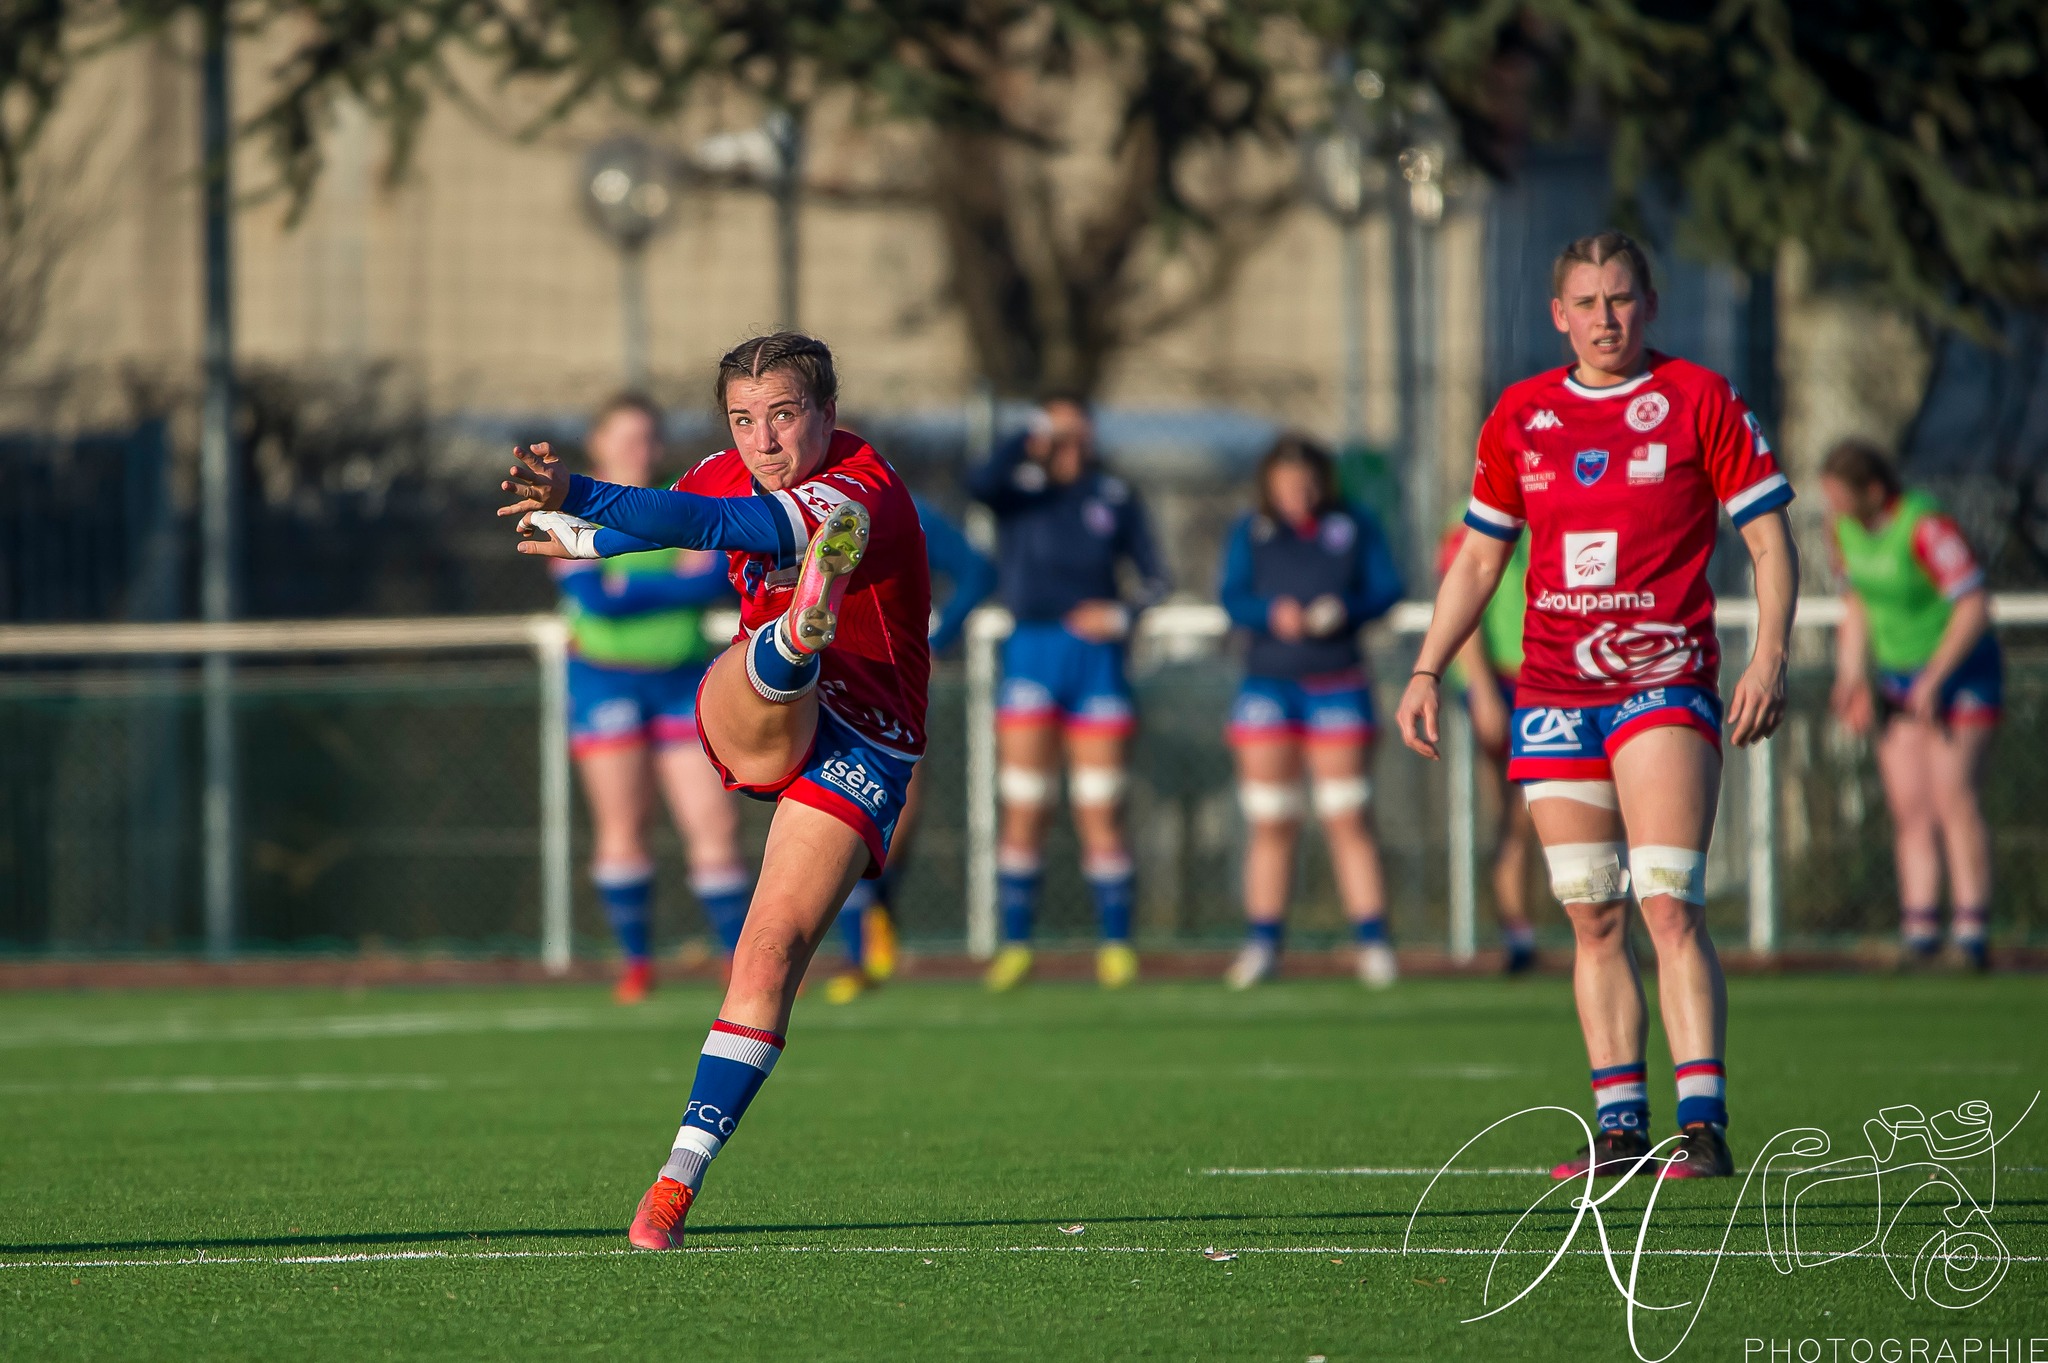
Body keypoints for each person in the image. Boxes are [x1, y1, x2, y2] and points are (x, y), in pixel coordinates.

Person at [500, 331, 932, 1250]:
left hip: (868, 745)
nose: (763, 441)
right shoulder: (719, 471)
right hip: (767, 719)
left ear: (826, 413)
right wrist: (565, 529)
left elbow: (719, 528)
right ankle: (796, 639)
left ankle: (673, 1183)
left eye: (783, 416)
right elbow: (648, 524)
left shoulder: (861, 487)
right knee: (757, 665)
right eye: (743, 420)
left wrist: (581, 490)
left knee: (768, 952)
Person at [1394, 231, 1799, 1183]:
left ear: (1648, 304)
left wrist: (1769, 654)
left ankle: (1701, 1124)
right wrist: (1424, 668)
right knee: (1592, 914)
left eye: (1620, 299)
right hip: (1553, 691)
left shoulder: (1700, 398)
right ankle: (1620, 1127)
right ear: (1558, 315)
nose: (1605, 318)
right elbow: (1481, 559)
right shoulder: (1521, 415)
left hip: (1660, 678)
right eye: (1587, 303)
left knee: (1667, 901)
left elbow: (1771, 543)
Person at [551, 394, 751, 1004]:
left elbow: (713, 582)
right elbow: (596, 601)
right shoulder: (567, 507)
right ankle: (637, 963)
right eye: (626, 437)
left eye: (649, 437)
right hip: (604, 678)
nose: (641, 449)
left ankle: (738, 964)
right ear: (598, 443)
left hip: (681, 678)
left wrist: (632, 584)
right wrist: (673, 585)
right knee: (622, 824)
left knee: (713, 825)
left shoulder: (682, 502)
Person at [967, 396, 1169, 990]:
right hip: (1033, 652)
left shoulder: (1115, 496)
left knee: (1101, 806)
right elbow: (978, 482)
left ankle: (1116, 943)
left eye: (1079, 435)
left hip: (1097, 661)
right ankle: (1018, 943)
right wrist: (1027, 436)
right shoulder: (1020, 490)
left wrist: (1124, 614)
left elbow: (1157, 578)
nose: (1069, 447)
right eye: (1059, 436)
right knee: (1026, 804)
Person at [1217, 435, 1404, 988]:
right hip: (1268, 685)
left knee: (1347, 815)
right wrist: (1268, 612)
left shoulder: (1355, 526)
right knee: (1271, 818)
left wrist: (1343, 609)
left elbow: (1388, 588)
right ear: (1269, 486)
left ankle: (1373, 942)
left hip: (1337, 683)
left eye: (1307, 482)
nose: (1299, 492)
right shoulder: (1250, 532)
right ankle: (1263, 942)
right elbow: (1231, 595)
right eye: (1287, 483)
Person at [1821, 439, 2001, 970]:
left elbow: (1972, 604)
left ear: (1873, 491)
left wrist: (1935, 677)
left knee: (1954, 797)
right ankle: (1919, 931)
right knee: (1910, 805)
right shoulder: (1843, 531)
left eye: (1840, 495)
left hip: (1961, 674)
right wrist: (1851, 676)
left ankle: (1971, 934)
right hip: (1896, 678)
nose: (1833, 506)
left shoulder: (1925, 526)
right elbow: (1855, 606)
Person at [823, 495, 996, 1004]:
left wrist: (935, 643)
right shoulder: (775, 503)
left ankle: (870, 926)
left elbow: (978, 571)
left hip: (890, 677)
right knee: (821, 802)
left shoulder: (901, 507)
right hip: (810, 670)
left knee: (884, 804)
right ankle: (854, 949)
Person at [1438, 525, 1540, 974]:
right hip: (1504, 681)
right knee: (1514, 813)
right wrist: (1480, 687)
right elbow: (1464, 604)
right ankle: (1518, 934)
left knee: (1563, 810)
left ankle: (1614, 927)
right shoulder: (1468, 516)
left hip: (1561, 677)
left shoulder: (1566, 489)